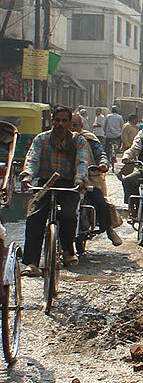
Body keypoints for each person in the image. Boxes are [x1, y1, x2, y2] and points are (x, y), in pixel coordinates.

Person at [19, 106, 91, 274]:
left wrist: (80, 180)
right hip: (45, 183)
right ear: (52, 121)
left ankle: (68, 251)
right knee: (34, 217)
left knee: (68, 215)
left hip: (68, 184)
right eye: (57, 120)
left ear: (68, 123)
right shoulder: (41, 139)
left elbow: (82, 162)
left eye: (64, 120)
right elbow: (32, 158)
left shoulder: (78, 140)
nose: (60, 124)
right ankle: (32, 263)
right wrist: (27, 175)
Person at [70, 114, 122, 246]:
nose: (71, 128)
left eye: (75, 125)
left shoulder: (88, 139)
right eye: (69, 124)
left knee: (100, 203)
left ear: (81, 126)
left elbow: (101, 153)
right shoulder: (57, 139)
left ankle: (108, 229)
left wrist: (103, 163)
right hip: (66, 180)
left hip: (89, 178)